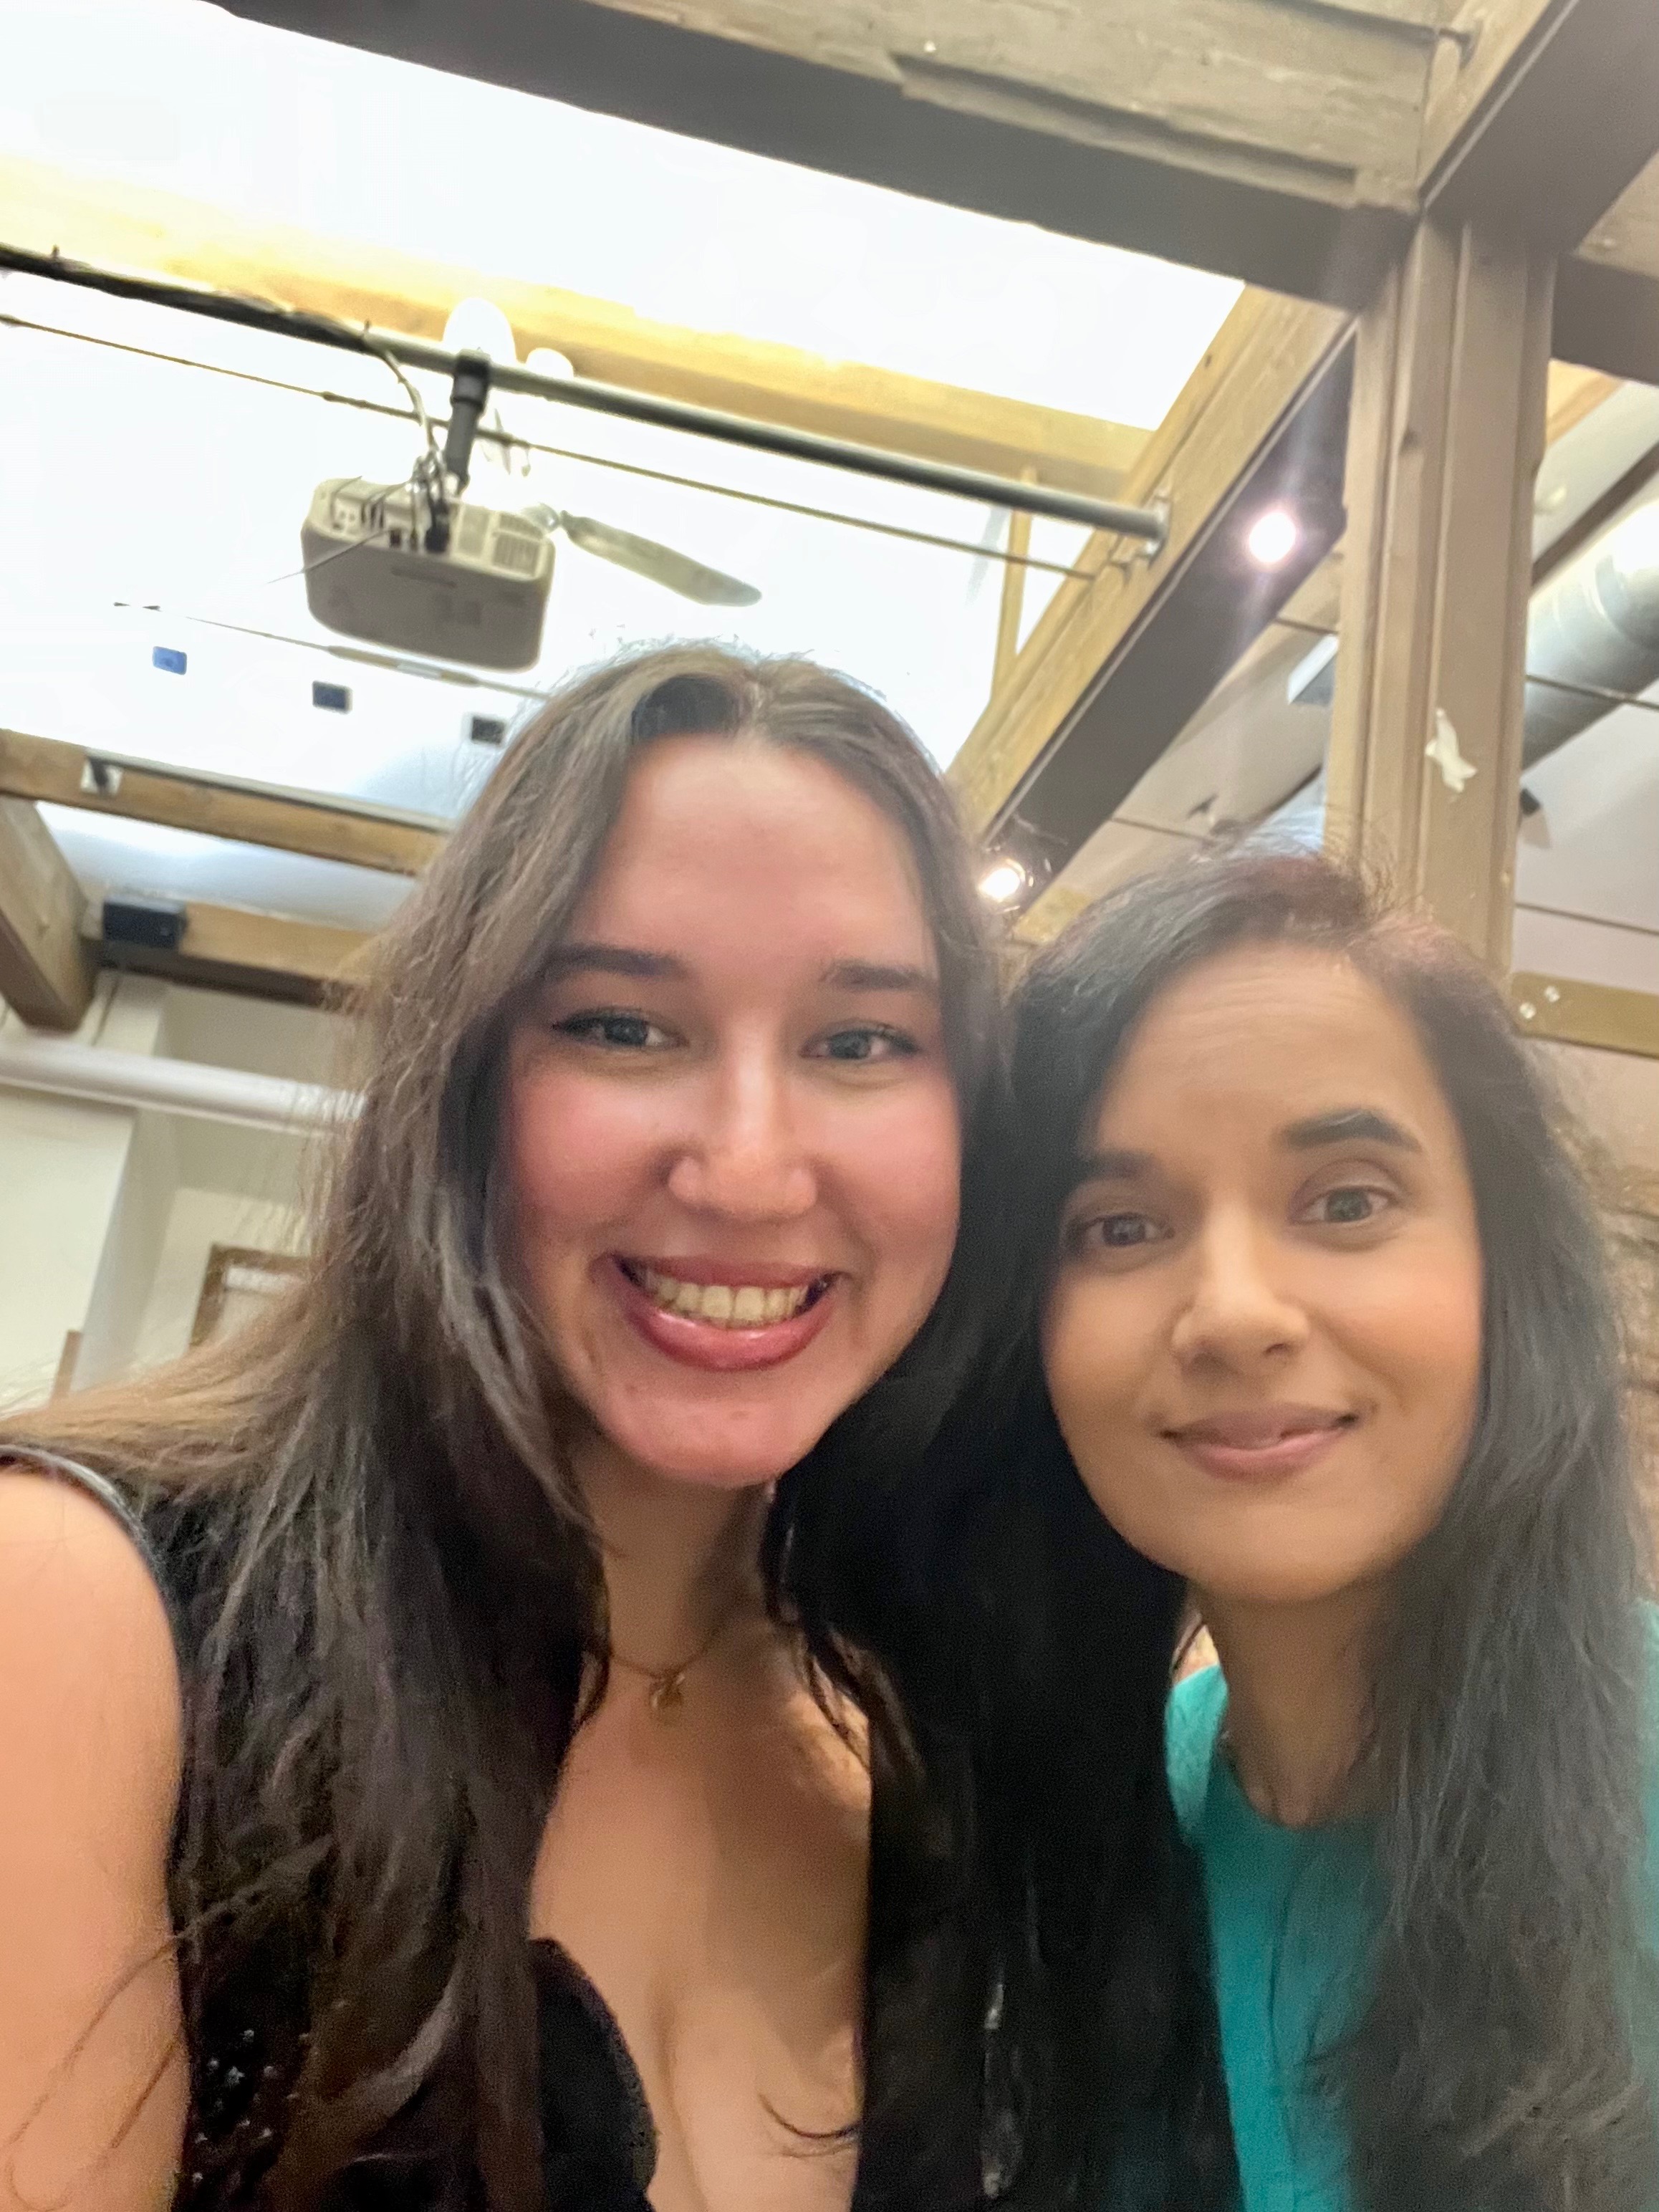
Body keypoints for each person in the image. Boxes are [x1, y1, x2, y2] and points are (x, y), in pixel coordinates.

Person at [0, 645, 1226, 2212]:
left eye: (860, 1042)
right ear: (461, 1082)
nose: (751, 1168)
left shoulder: (917, 1721)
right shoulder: (96, 1613)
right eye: (624, 1027)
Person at [996, 847, 1659, 2212]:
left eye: (1348, 1201)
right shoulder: (1113, 1818)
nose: (1235, 1312)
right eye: (1119, 1226)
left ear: (1507, 1274)